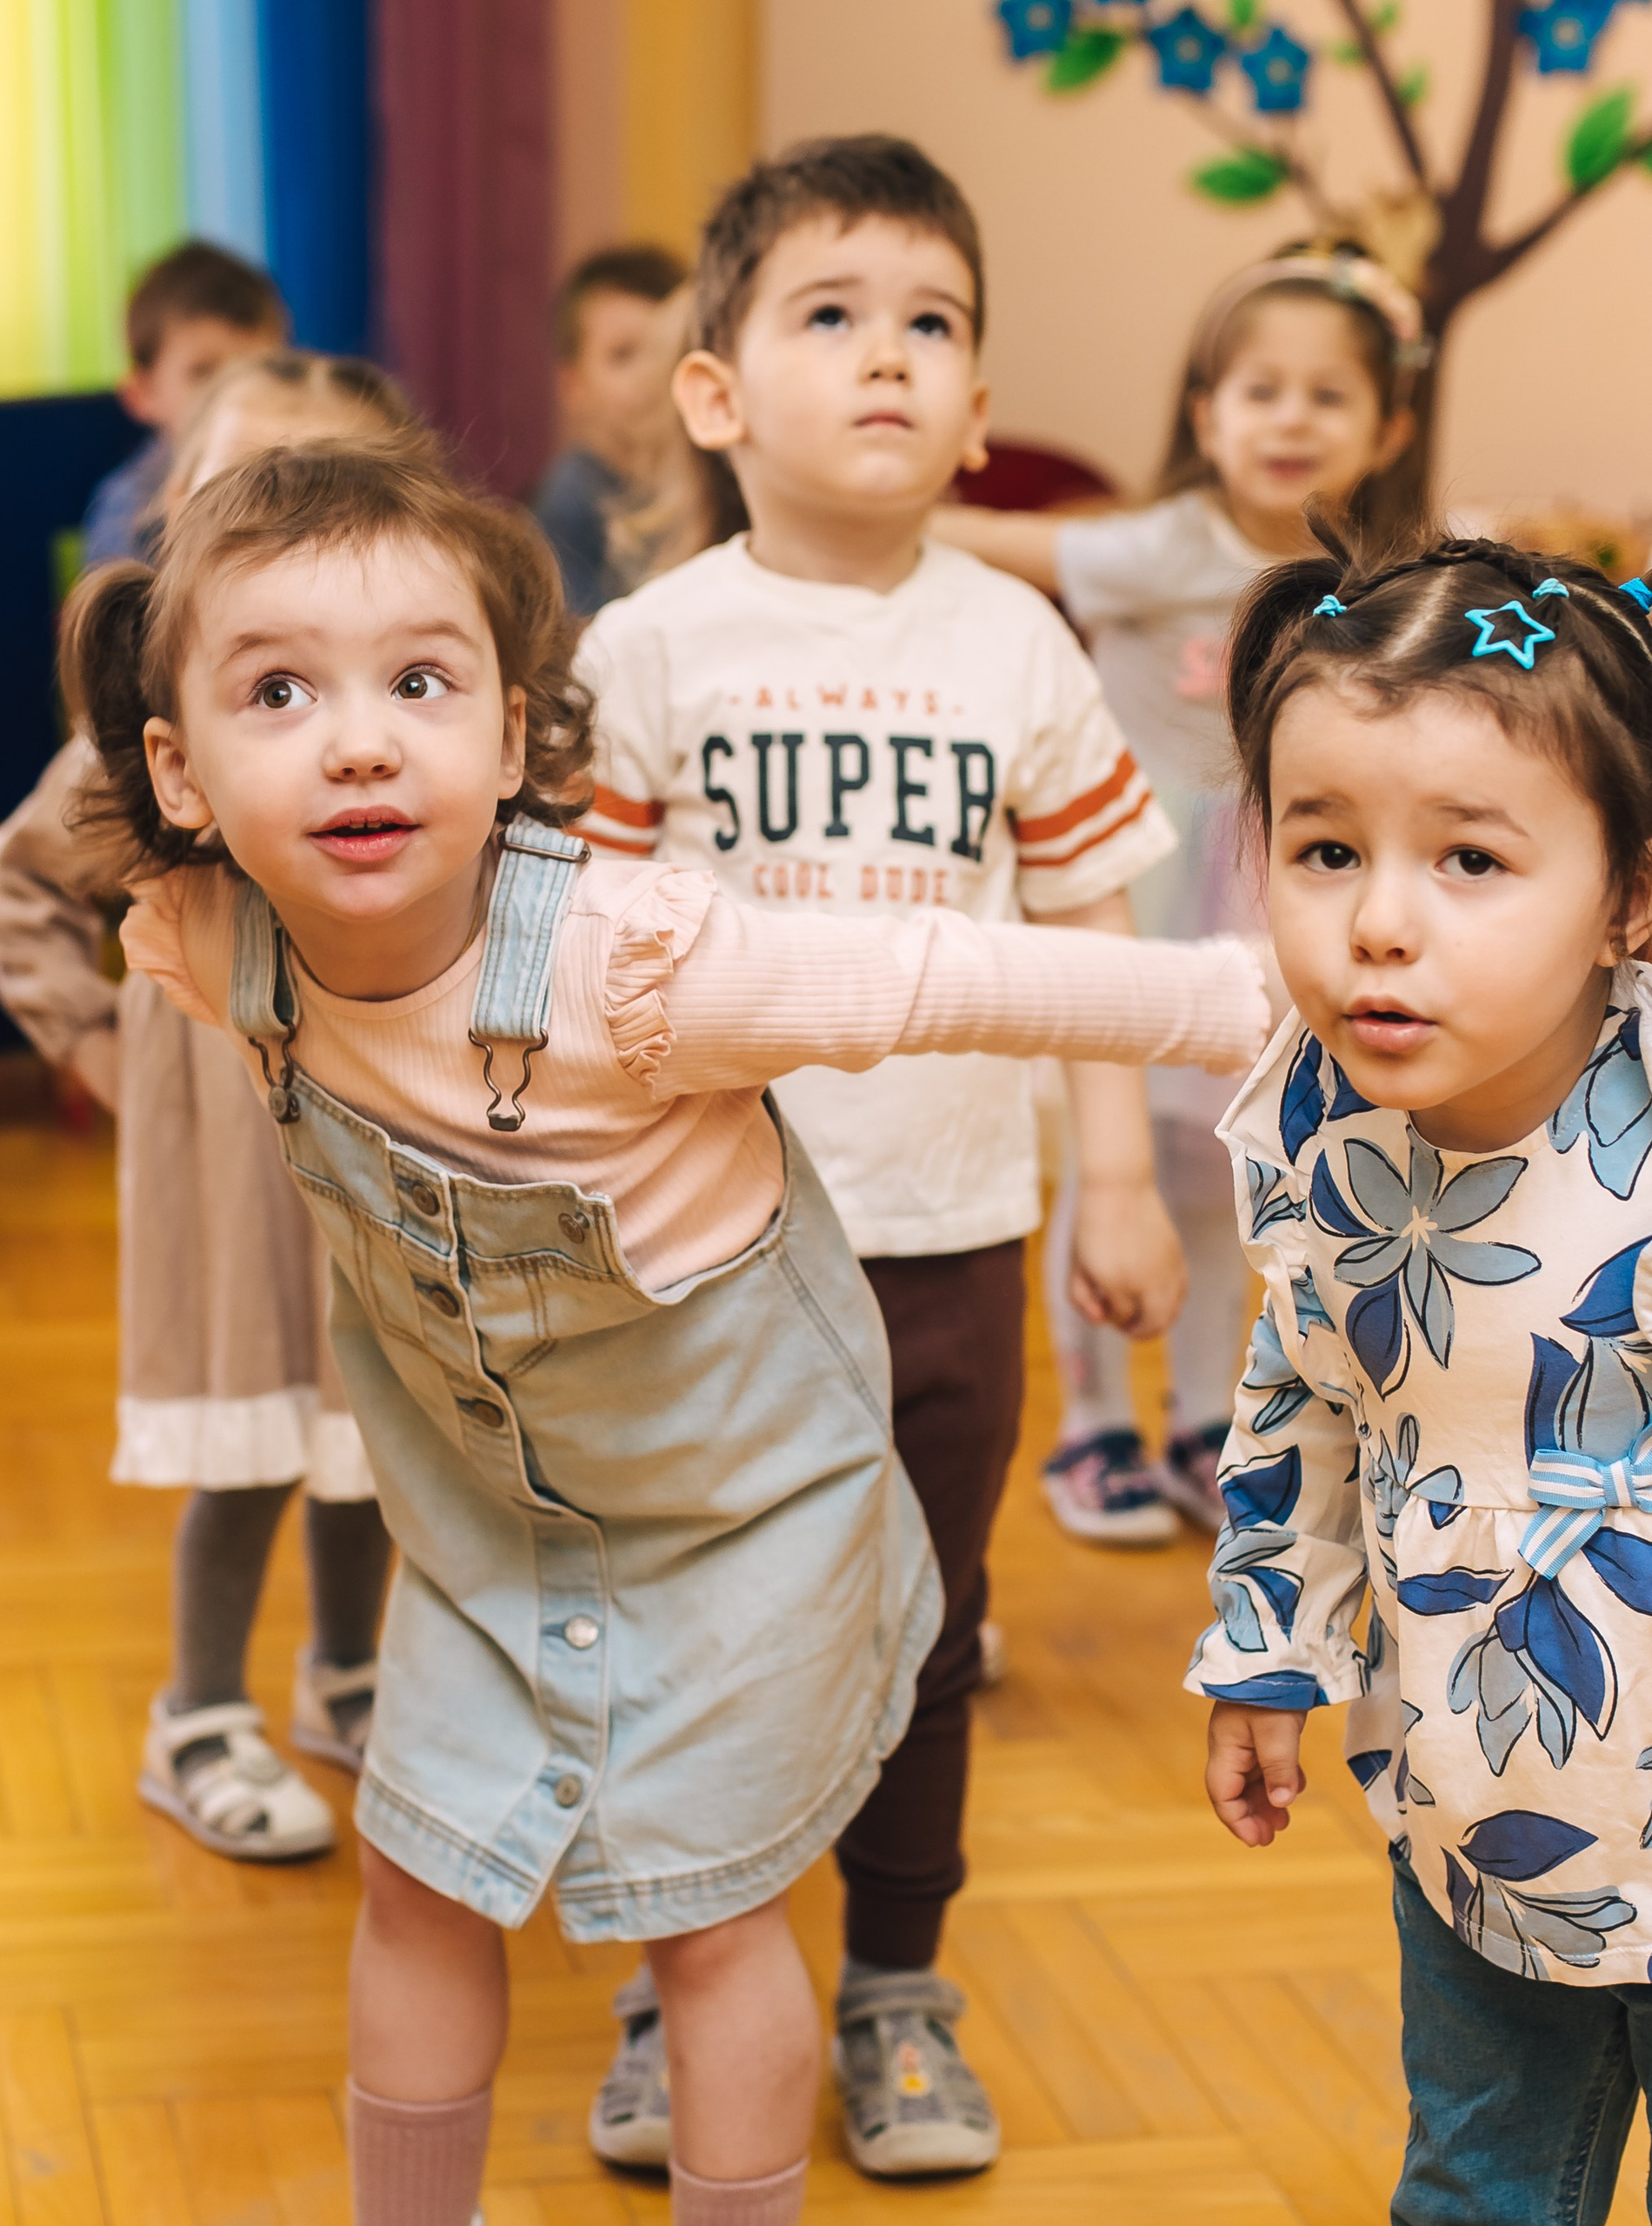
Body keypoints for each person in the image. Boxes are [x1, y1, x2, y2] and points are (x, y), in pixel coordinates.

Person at [71, 430, 1269, 2225]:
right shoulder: (199, 932)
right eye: (276, 693)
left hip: (742, 1527)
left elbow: (943, 977)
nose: (359, 740)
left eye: (419, 682)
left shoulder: (638, 965)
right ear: (180, 768)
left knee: (709, 1920)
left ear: (512, 740)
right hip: (489, 1528)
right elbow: (49, 855)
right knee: (417, 1879)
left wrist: (1263, 995)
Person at [573, 134, 1182, 2179]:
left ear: (977, 405)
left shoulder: (1014, 645)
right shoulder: (649, 646)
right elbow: (572, 950)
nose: (887, 355)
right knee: (691, 1622)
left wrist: (1111, 1176)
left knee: (925, 1621)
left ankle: (894, 1983)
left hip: (946, 1230)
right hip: (694, 1247)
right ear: (714, 391)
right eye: (829, 314)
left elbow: (1091, 931)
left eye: (929, 322)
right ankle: (675, 1974)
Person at [1188, 518, 1652, 2222]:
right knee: (1473, 2186)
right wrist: (1264, 1648)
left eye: (1468, 858)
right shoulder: (1320, 1125)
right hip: (1477, 1805)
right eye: (1324, 849)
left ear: (1628, 895)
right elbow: (1299, 1390)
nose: (1378, 923)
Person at [0, 355, 419, 1860]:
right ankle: (200, 1712)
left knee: (370, 1429)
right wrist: (102, 1058)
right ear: (177, 517)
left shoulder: (407, 741)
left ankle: (348, 1676)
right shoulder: (150, 744)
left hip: (385, 1160)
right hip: (228, 1174)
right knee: (246, 1444)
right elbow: (20, 896)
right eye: (246, 489)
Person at [931, 244, 1420, 1545]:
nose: (1290, 419)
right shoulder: (1156, 547)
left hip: (1268, 896)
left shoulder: (1379, 579)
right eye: (1260, 391)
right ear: (1205, 416)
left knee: (1224, 1176)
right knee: (1116, 1165)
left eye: (1328, 395)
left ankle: (1206, 1419)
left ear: (1388, 429)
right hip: (1135, 890)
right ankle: (1091, 1425)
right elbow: (985, 538)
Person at [81, 242, 287, 569]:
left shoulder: (292, 478)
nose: (234, 394)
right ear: (143, 394)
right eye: (203, 372)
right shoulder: (131, 509)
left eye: (256, 370)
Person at [529, 245, 686, 615]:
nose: (652, 376)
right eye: (623, 355)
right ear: (573, 386)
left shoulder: (706, 485)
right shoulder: (572, 499)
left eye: (667, 352)